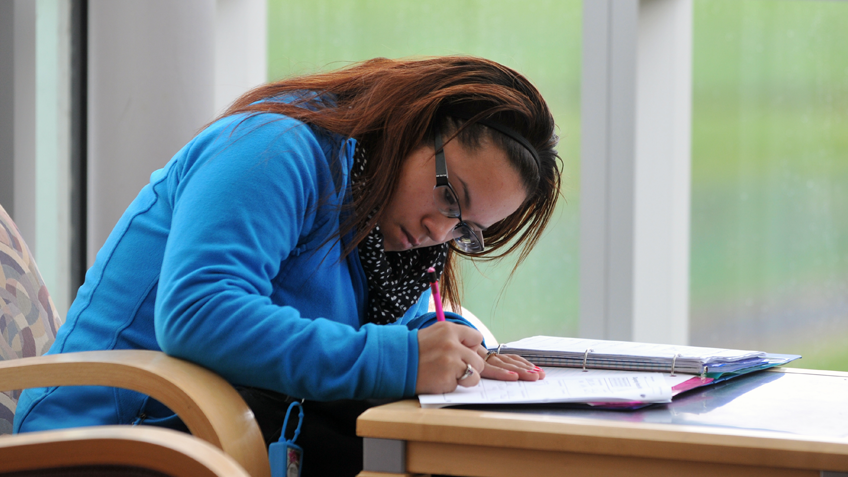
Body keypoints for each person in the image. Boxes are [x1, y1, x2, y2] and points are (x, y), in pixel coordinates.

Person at [14, 56, 562, 475]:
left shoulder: (384, 221)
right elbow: (197, 313)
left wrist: (456, 345)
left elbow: (398, 328)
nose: (440, 232)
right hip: (103, 441)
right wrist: (398, 359)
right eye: (450, 197)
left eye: (466, 231)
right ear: (413, 124)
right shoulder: (274, 146)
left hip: (218, 431)